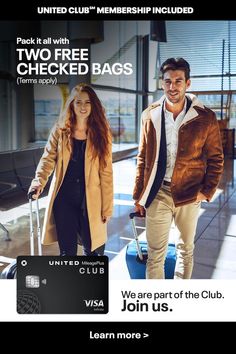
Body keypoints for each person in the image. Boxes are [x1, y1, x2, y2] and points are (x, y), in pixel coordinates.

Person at [133, 57, 224, 279]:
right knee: (155, 254)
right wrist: (138, 195)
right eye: (167, 81)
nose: (172, 87)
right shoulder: (150, 114)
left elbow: (216, 158)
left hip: (190, 194)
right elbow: (143, 157)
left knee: (185, 250)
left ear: (187, 83)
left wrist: (206, 190)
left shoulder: (205, 117)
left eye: (178, 81)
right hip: (158, 193)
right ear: (161, 83)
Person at [29, 83, 113, 256]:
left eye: (87, 102)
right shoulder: (60, 131)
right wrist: (38, 182)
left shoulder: (101, 133)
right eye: (78, 102)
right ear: (72, 105)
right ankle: (70, 283)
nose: (83, 107)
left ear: (93, 105)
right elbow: (47, 159)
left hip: (91, 200)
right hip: (64, 199)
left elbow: (106, 172)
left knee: (94, 252)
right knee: (67, 253)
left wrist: (107, 207)